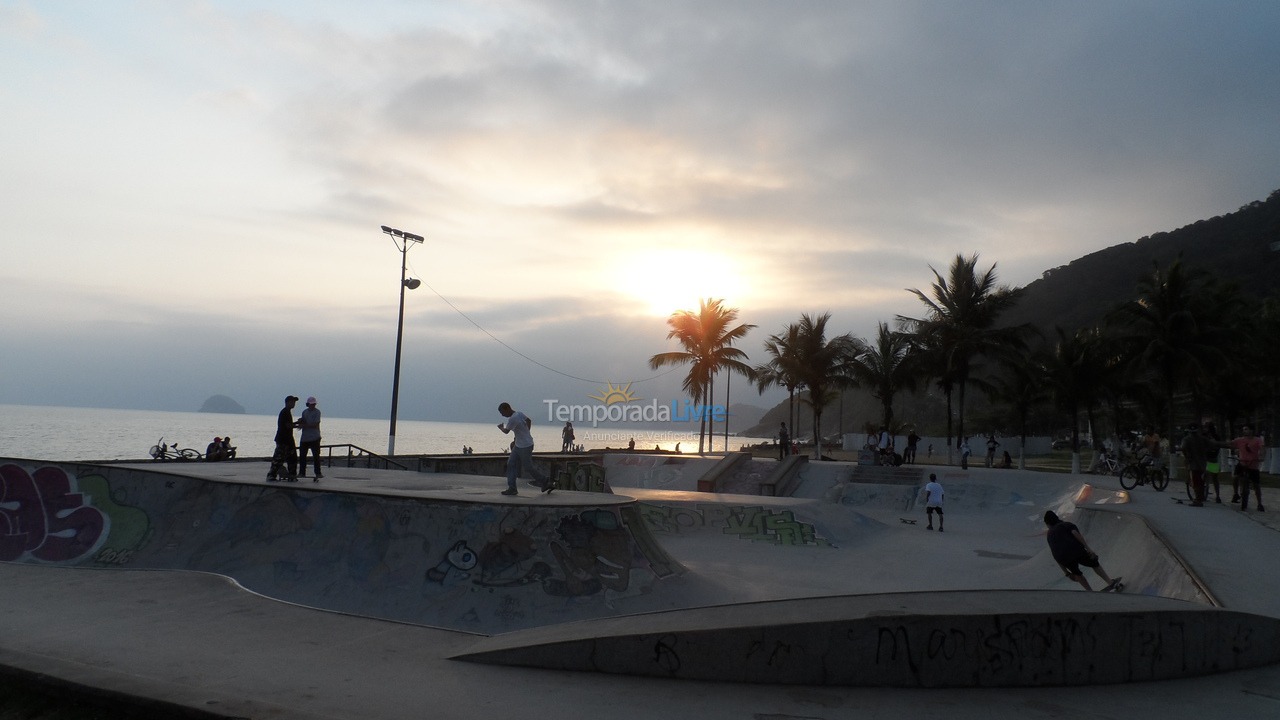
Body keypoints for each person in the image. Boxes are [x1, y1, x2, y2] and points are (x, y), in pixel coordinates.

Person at [1043, 510, 1119, 591]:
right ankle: (1110, 582)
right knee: (1094, 563)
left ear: (1048, 523)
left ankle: (1089, 592)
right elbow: (1075, 533)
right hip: (1075, 550)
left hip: (1063, 558)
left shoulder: (1049, 535)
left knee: (1077, 573)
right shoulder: (1067, 525)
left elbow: (1055, 554)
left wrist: (1066, 573)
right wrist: (1089, 549)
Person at [496, 402, 549, 496]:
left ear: (507, 409)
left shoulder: (513, 418)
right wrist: (526, 433)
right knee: (511, 464)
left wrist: (501, 428)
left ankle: (544, 481)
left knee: (528, 467)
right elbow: (529, 420)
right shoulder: (519, 413)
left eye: (502, 412)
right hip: (518, 445)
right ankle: (512, 488)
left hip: (525, 446)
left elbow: (506, 431)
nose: (502, 415)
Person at [1180, 422, 1228, 507]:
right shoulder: (1204, 437)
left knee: (1198, 480)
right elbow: (1215, 445)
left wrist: (1187, 456)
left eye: (1207, 427)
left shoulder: (1188, 439)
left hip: (1204, 461)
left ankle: (1199, 499)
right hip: (1206, 461)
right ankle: (1210, 496)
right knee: (1206, 479)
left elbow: (1183, 448)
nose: (1206, 429)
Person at [1230, 424, 1266, 511]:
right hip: (1242, 463)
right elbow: (1230, 444)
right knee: (1235, 477)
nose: (1244, 431)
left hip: (1253, 464)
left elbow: (1262, 449)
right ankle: (1235, 494)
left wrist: (1261, 456)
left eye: (1246, 429)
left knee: (1256, 485)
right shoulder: (1240, 440)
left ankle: (1259, 503)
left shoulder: (1258, 440)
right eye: (1243, 429)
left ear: (1251, 430)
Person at [268, 395, 299, 482]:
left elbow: (289, 424)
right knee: (278, 459)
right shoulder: (285, 412)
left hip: (288, 440)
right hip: (283, 440)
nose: (294, 404)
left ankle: (292, 475)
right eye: (292, 402)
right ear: (287, 402)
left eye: (294, 402)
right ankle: (271, 475)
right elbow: (288, 425)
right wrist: (299, 425)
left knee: (292, 458)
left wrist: (297, 423)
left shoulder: (288, 412)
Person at [297, 396, 323, 481]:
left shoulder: (317, 412)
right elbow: (303, 423)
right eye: (311, 404)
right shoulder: (304, 412)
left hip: (315, 437)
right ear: (308, 404)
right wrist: (300, 423)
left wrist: (304, 425)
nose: (313, 406)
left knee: (316, 456)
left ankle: (318, 472)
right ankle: (302, 472)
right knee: (302, 456)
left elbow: (315, 424)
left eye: (314, 404)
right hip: (305, 438)